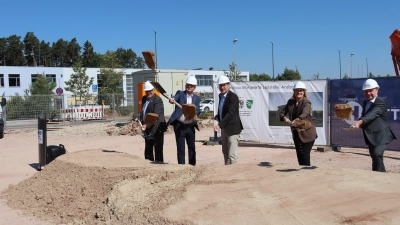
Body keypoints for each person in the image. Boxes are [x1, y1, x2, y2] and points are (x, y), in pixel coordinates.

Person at [351, 79, 396, 172]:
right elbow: (365, 116)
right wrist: (358, 123)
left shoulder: (380, 102)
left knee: (377, 154)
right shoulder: (365, 102)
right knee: (375, 158)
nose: (368, 93)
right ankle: (381, 176)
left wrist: (360, 122)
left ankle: (377, 178)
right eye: (366, 91)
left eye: (370, 90)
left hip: (383, 135)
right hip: (371, 136)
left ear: (377, 90)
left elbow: (372, 115)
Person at [279, 81, 317, 166]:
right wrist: (284, 118)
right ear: (294, 91)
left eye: (301, 90)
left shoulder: (307, 102)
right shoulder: (290, 102)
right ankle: (302, 175)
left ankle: (308, 173)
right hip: (296, 134)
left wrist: (297, 120)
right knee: (299, 156)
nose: (299, 92)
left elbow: (305, 113)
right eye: (297, 90)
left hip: (308, 133)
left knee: (305, 155)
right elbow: (282, 113)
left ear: (304, 92)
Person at [167, 76, 201, 165]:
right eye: (188, 85)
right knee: (181, 148)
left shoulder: (196, 98)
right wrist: (172, 99)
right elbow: (174, 98)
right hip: (180, 125)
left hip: (190, 126)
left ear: (194, 87)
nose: (189, 87)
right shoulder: (180, 93)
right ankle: (181, 167)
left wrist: (194, 114)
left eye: (191, 86)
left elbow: (198, 110)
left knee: (192, 148)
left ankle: (192, 166)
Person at [214, 75, 243, 165]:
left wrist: (219, 125)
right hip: (224, 129)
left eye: (224, 85)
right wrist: (217, 117)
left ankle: (233, 175)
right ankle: (227, 173)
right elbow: (222, 111)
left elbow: (230, 113)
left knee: (232, 155)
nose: (222, 87)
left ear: (229, 85)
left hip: (233, 129)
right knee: (225, 152)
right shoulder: (221, 96)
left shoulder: (233, 97)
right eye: (220, 85)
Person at [138, 81, 166, 162]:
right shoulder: (144, 98)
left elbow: (156, 116)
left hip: (157, 128)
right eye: (147, 91)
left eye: (150, 91)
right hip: (147, 129)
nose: (148, 93)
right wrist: (139, 118)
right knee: (148, 150)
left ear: (153, 90)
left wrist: (146, 125)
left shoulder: (158, 100)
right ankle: (148, 168)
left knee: (158, 151)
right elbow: (143, 112)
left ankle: (159, 167)